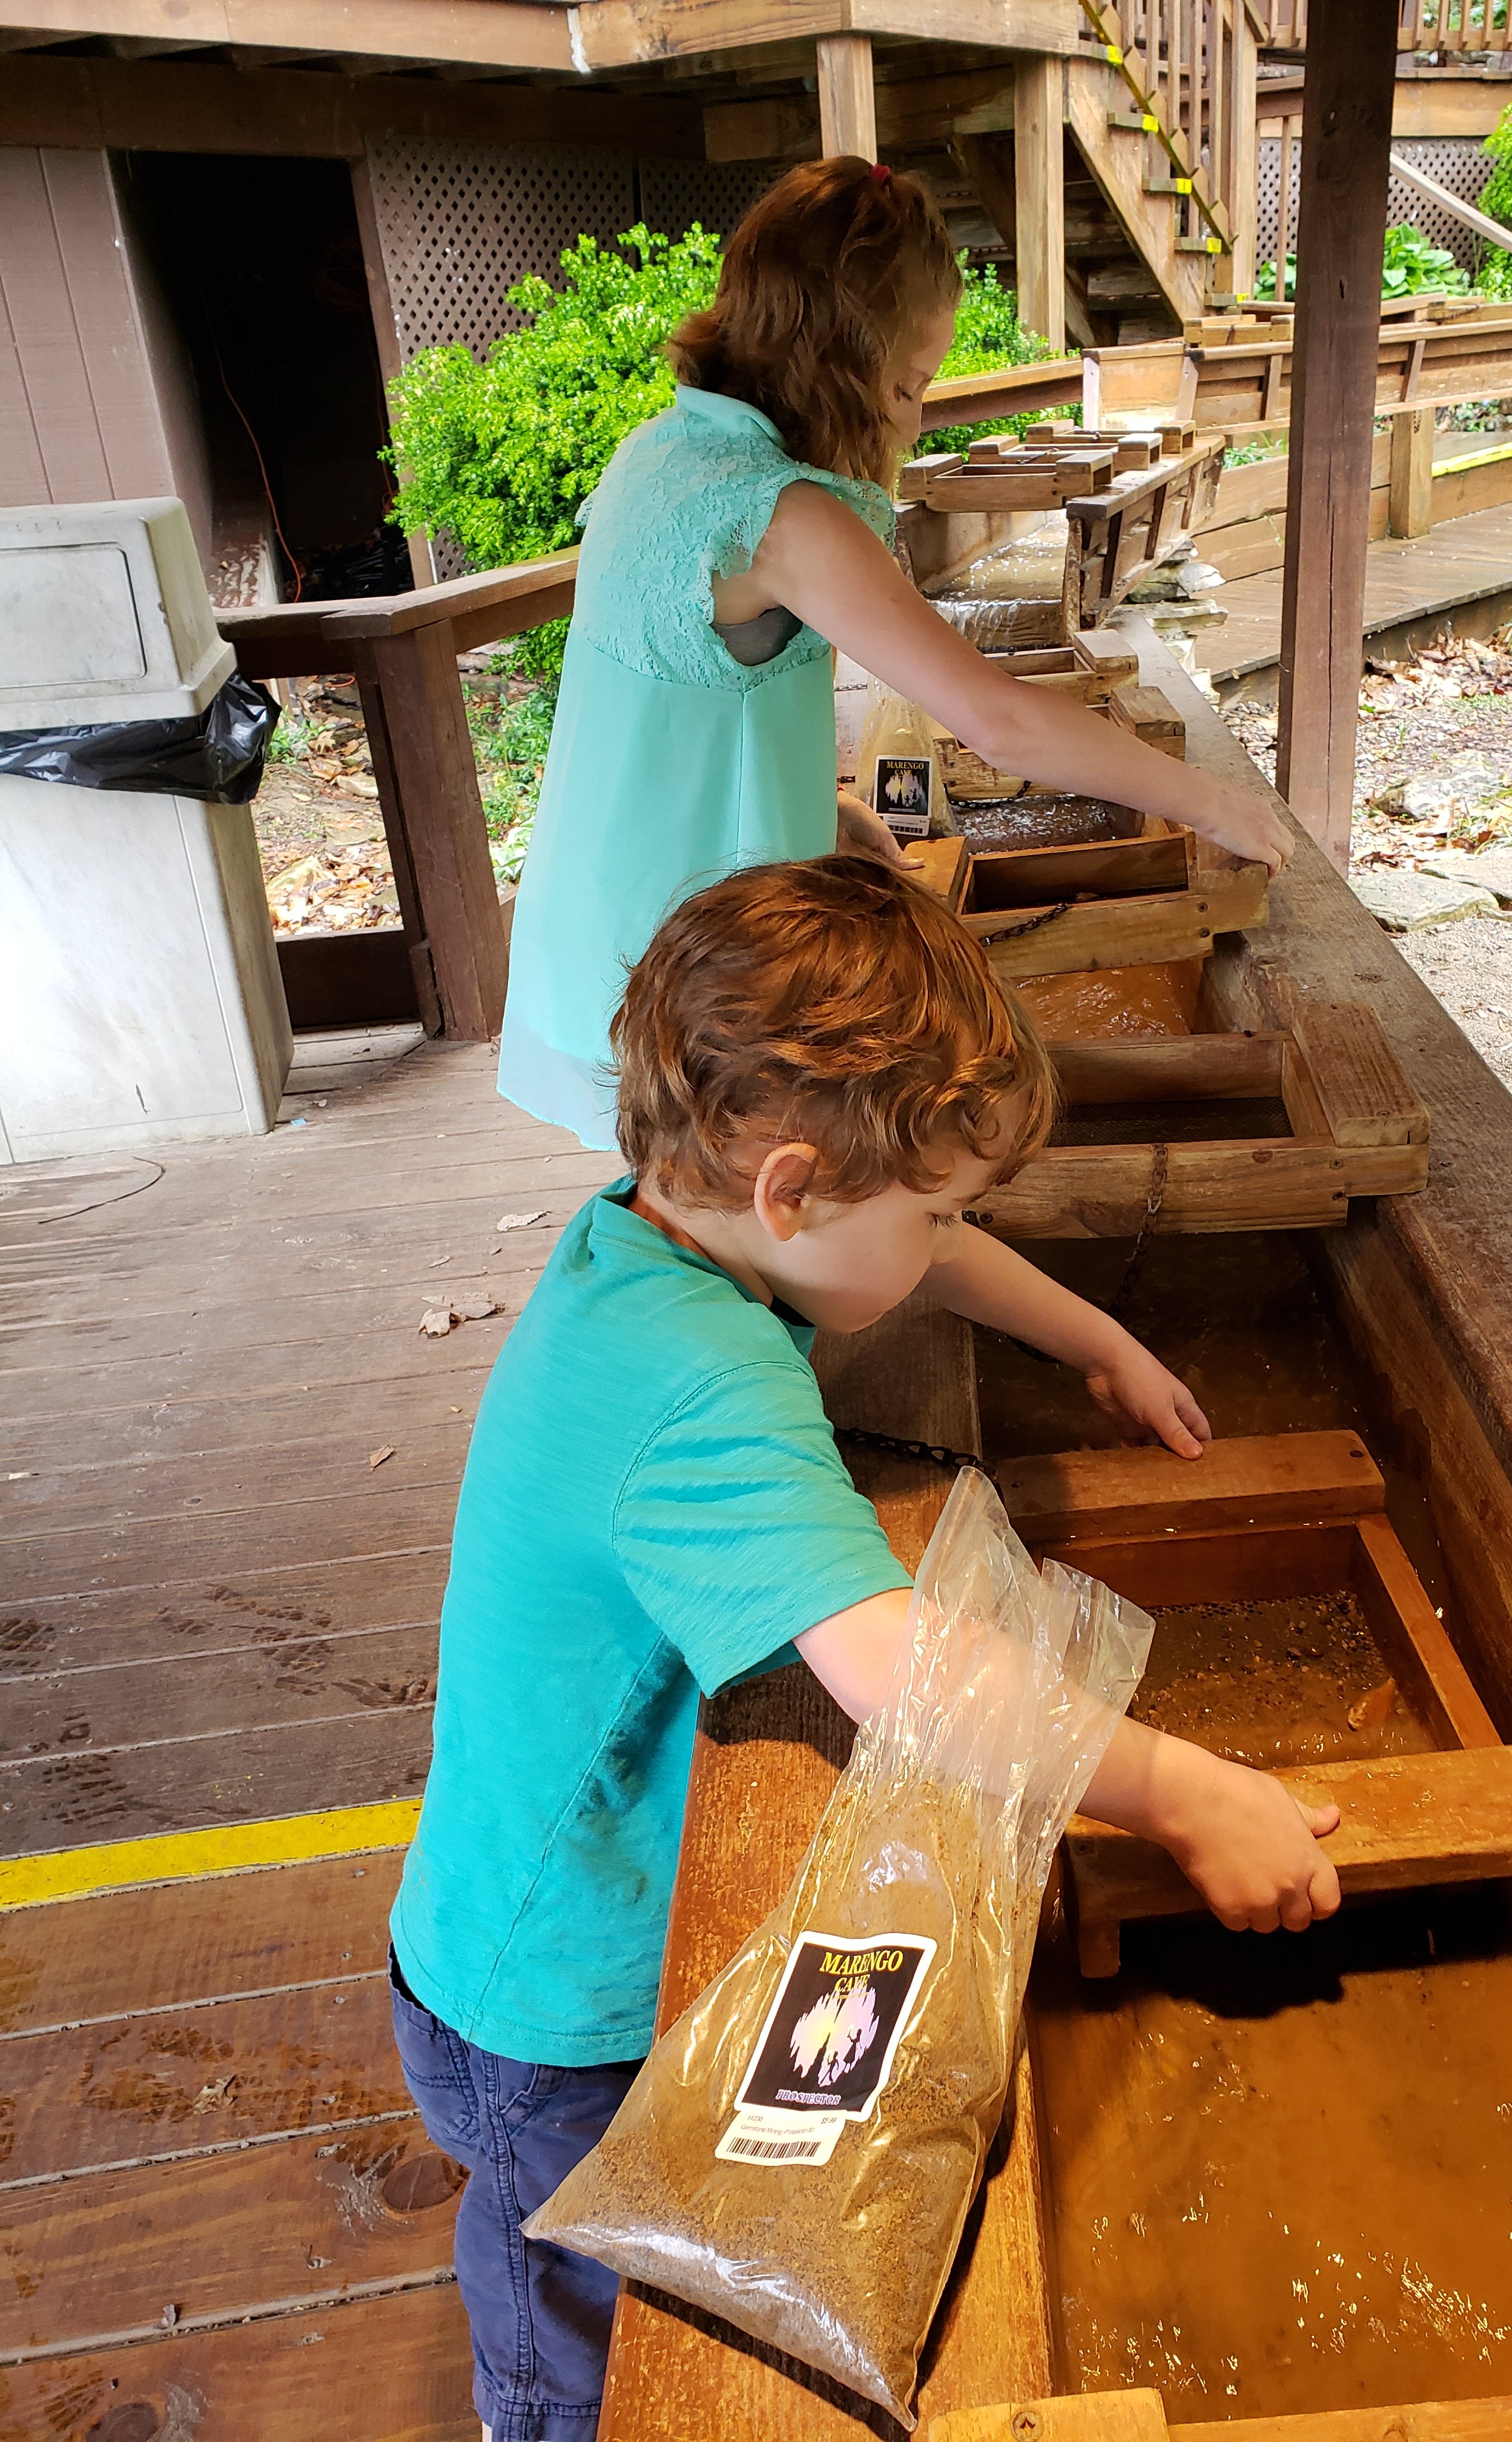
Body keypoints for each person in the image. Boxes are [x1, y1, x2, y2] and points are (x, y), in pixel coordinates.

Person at [394, 856, 1339, 2441]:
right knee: (576, 2304)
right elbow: (902, 1672)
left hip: (531, 1913)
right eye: (942, 1209)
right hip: (549, 2006)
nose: (950, 1240)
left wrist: (1090, 1338)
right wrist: (1188, 1795)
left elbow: (917, 1247)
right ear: (789, 1189)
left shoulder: (672, 1234)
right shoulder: (695, 1388)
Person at [498, 156, 1294, 1150]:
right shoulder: (787, 517)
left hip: (594, 919)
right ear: (839, 362)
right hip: (677, 971)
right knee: (749, 1220)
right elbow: (997, 720)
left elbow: (682, 703)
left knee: (690, 1223)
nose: (917, 415)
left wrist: (814, 809)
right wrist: (1215, 802)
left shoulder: (663, 450)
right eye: (910, 383)